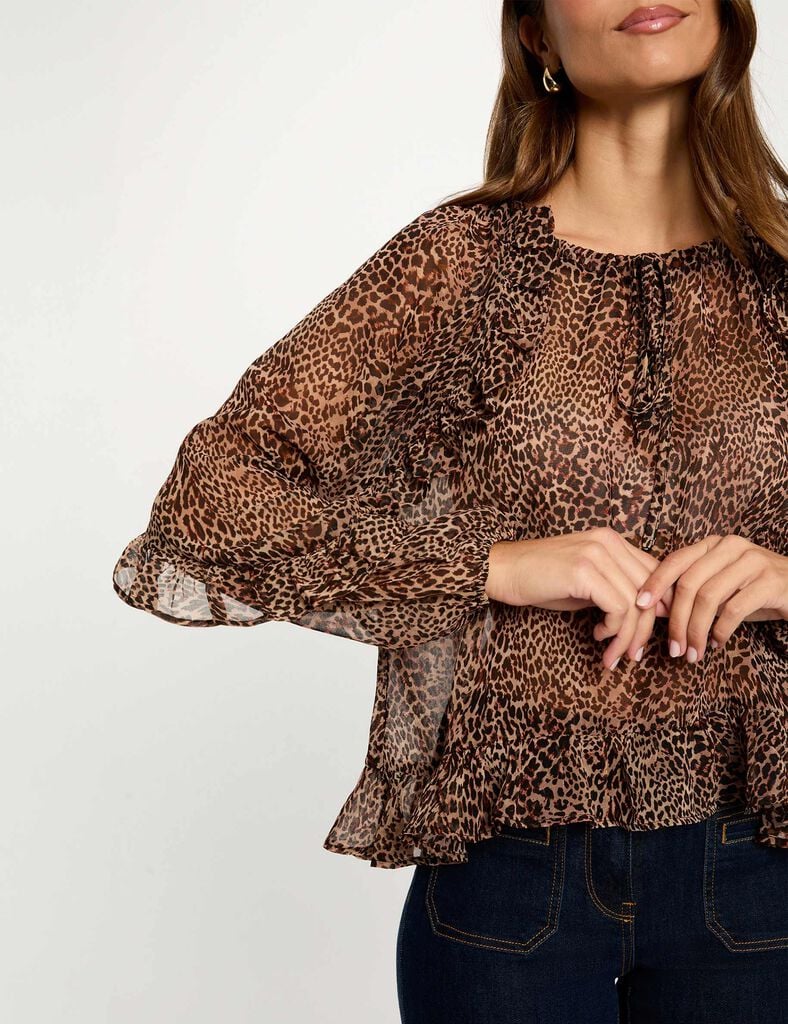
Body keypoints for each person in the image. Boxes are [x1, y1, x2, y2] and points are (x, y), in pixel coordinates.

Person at [112, 0, 787, 1020]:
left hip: (763, 861)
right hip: (511, 878)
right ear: (535, 32)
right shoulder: (461, 264)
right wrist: (489, 564)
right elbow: (213, 497)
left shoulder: (780, 274)